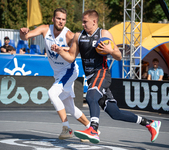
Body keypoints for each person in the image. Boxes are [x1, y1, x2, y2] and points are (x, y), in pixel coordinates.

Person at [53, 9, 161, 144]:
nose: (83, 24)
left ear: (94, 21)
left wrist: (110, 51)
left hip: (102, 73)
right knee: (115, 113)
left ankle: (93, 129)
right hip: (92, 78)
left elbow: (119, 56)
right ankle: (150, 123)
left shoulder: (103, 34)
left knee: (91, 95)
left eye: (85, 22)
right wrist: (59, 51)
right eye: (82, 22)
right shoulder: (78, 36)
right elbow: (70, 57)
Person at [19, 8, 90, 140]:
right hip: (59, 73)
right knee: (69, 107)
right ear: (53, 19)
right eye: (58, 18)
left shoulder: (68, 35)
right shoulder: (45, 29)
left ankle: (66, 128)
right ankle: (92, 128)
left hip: (69, 71)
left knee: (52, 93)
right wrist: (22, 33)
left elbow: (75, 53)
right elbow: (25, 37)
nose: (61, 21)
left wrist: (63, 49)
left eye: (63, 19)